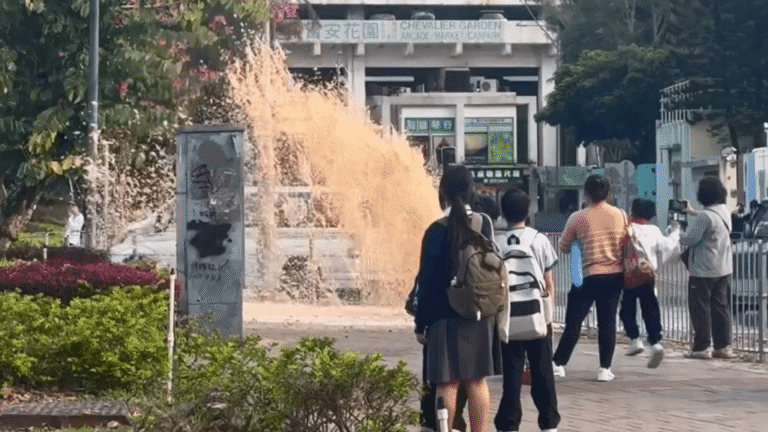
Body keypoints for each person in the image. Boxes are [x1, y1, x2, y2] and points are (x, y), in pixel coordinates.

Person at [415, 165, 501, 432]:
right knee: (477, 381)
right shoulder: (483, 224)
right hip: (478, 312)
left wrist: (421, 324)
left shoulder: (435, 230)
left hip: (443, 316)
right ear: (470, 191)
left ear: (443, 192)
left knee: (447, 383)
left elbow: (426, 282)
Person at [493, 187, 560, 432]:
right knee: (542, 371)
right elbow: (548, 282)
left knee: (511, 374)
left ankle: (509, 424)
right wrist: (549, 315)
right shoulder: (538, 239)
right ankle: (549, 423)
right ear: (528, 211)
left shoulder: (496, 243)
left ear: (503, 213)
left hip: (508, 317)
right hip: (536, 315)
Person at [552, 174, 627, 382]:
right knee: (607, 322)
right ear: (608, 193)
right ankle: (604, 368)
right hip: (615, 276)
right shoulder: (620, 215)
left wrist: (579, 244)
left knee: (574, 321)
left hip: (587, 276)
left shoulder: (577, 217)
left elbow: (564, 246)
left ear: (586, 193)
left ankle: (558, 363)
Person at [620, 198, 681, 368]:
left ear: (633, 211)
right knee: (650, 309)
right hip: (648, 275)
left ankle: (635, 339)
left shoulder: (626, 228)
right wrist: (675, 231)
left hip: (629, 275)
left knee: (627, 309)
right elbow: (667, 246)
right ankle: (655, 342)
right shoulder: (654, 230)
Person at [680, 177, 734, 359]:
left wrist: (676, 232)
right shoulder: (724, 211)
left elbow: (689, 239)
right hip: (723, 267)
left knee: (700, 308)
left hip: (703, 270)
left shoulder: (704, 217)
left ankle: (702, 347)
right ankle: (723, 346)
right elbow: (711, 218)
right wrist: (692, 212)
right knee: (720, 307)